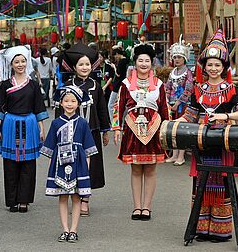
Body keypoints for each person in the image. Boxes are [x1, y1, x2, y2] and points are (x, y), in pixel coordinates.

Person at [177, 29, 238, 242]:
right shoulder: (198, 89)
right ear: (204, 67)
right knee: (200, 183)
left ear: (224, 67)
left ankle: (220, 230)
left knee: (222, 184)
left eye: (217, 65)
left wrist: (225, 115)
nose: (213, 68)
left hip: (223, 143)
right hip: (201, 143)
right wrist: (172, 124)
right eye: (210, 64)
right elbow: (190, 114)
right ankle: (201, 228)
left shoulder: (231, 89)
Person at [112, 44, 168, 221]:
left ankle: (147, 207)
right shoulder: (126, 84)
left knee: (151, 170)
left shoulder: (159, 84)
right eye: (140, 60)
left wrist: (168, 130)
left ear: (152, 63)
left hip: (154, 129)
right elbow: (118, 107)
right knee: (136, 170)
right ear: (135, 63)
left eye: (147, 61)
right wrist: (117, 129)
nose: (144, 64)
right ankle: (137, 207)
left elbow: (164, 108)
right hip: (132, 129)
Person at [0, 46, 48, 213]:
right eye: (16, 62)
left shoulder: (32, 85)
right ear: (11, 64)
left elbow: (39, 107)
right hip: (10, 124)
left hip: (30, 124)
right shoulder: (5, 85)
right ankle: (12, 200)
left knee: (28, 164)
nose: (20, 64)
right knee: (10, 164)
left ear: (27, 62)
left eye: (23, 61)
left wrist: (41, 128)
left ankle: (24, 200)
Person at [59, 43, 111, 216]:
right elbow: (60, 109)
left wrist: (105, 130)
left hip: (92, 132)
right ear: (74, 67)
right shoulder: (67, 85)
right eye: (81, 64)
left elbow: (102, 110)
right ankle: (74, 195)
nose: (84, 67)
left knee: (91, 167)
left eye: (87, 64)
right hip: (71, 134)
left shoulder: (96, 86)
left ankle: (85, 200)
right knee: (72, 165)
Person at [41, 85, 97, 243]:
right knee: (63, 197)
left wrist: (86, 168)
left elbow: (88, 150)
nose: (70, 103)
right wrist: (53, 169)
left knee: (76, 197)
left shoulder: (83, 123)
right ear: (61, 103)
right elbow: (50, 150)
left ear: (78, 104)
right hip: (60, 166)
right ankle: (65, 229)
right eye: (66, 100)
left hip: (78, 166)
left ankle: (74, 230)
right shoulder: (56, 123)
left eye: (73, 101)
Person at [164, 37, 194, 165]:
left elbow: (188, 90)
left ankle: (181, 155)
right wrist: (166, 99)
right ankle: (174, 154)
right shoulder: (173, 72)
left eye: (179, 57)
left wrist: (177, 103)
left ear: (184, 59)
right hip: (172, 105)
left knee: (181, 130)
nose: (176, 59)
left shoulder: (188, 73)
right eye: (175, 57)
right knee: (172, 130)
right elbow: (168, 87)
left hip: (183, 107)